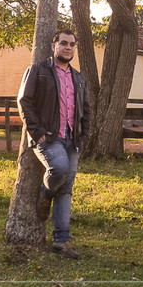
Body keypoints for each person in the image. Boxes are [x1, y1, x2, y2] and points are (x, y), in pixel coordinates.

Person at [17, 29, 92, 259]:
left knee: (66, 190)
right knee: (59, 169)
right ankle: (45, 193)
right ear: (54, 46)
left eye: (72, 44)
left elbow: (86, 110)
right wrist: (37, 132)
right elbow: (24, 101)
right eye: (63, 43)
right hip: (48, 138)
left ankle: (61, 241)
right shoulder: (38, 71)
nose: (68, 47)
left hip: (73, 140)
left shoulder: (79, 79)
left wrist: (84, 135)